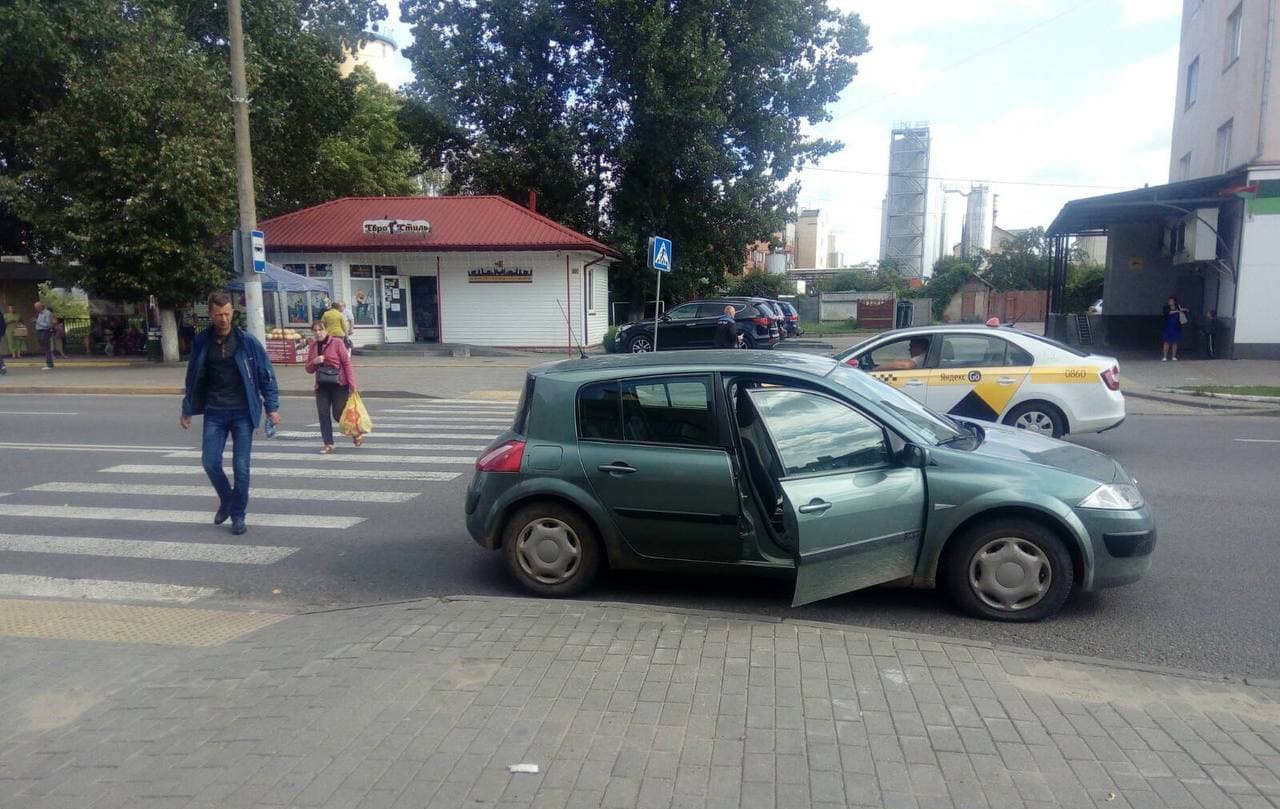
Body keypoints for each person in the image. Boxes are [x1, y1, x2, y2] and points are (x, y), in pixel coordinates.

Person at [180, 292, 282, 536]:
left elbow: (265, 375)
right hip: (215, 411)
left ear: (233, 313)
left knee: (242, 467)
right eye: (218, 315)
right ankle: (227, 499)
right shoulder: (202, 341)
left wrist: (272, 407)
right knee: (210, 462)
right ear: (211, 315)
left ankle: (238, 515)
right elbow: (193, 376)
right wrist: (187, 408)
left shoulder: (247, 342)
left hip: (243, 412)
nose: (224, 319)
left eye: (227, 314)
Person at [305, 320, 361, 454]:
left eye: (320, 330)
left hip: (339, 384)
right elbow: (308, 369)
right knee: (323, 414)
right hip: (322, 386)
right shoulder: (313, 347)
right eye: (315, 330)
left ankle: (355, 433)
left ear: (326, 330)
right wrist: (315, 361)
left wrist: (352, 384)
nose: (318, 333)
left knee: (338, 415)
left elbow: (347, 363)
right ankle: (328, 444)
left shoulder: (337, 343)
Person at [1161, 295, 1187, 361]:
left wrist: (1184, 310)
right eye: (1169, 301)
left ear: (1174, 301)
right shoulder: (1166, 307)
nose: (1170, 302)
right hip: (1167, 327)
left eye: (1172, 301)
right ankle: (1165, 356)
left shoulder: (1178, 306)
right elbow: (1168, 313)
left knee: (1175, 342)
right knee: (1166, 342)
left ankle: (1174, 356)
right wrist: (1177, 311)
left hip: (1176, 327)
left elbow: (1185, 311)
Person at [34, 301, 54, 369]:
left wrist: (37, 321)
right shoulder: (40, 313)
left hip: (45, 331)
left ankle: (49, 364)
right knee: (44, 347)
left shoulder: (47, 313)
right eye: (35, 307)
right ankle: (49, 363)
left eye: (37, 307)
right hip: (40, 331)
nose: (36, 309)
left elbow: (48, 325)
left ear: (41, 306)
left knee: (46, 347)